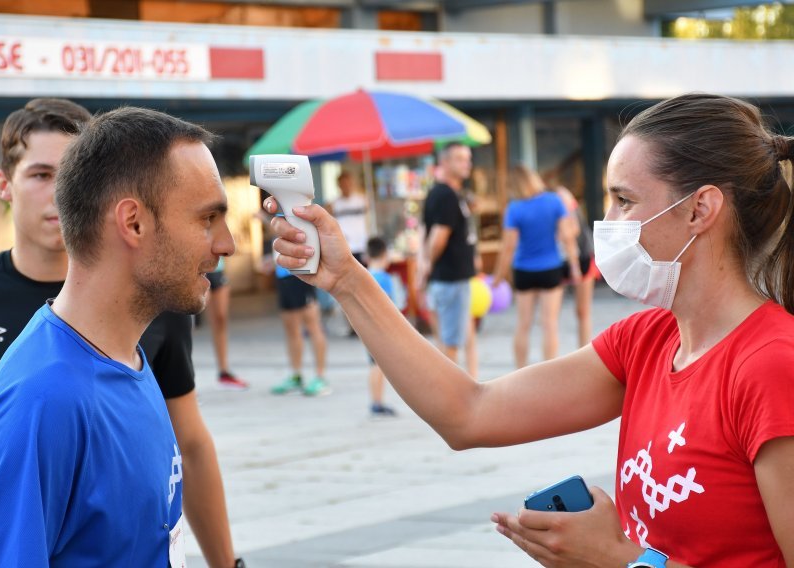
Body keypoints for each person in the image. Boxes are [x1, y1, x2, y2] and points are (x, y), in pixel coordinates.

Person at [266, 93, 794, 566]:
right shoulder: (647, 340)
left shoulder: (772, 364)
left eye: (625, 200)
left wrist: (622, 561)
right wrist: (347, 280)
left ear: (701, 208)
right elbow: (468, 414)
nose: (606, 219)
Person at [0, 103, 240, 566]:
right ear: (133, 223)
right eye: (207, 218)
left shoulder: (129, 356)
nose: (228, 243)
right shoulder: (43, 397)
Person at [492, 165, 580, 367]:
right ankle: (548, 374)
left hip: (523, 271)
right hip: (550, 268)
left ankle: (520, 371)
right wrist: (574, 265)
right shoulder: (554, 201)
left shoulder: (514, 208)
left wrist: (498, 276)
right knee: (549, 324)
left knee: (523, 325)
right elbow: (568, 237)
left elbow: (508, 247)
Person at [421, 142, 478, 369]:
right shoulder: (445, 194)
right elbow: (437, 237)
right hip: (449, 279)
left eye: (468, 158)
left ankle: (474, 384)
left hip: (451, 278)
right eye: (460, 158)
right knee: (449, 345)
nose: (467, 163)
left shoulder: (450, 193)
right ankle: (450, 398)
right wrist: (426, 267)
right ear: (444, 162)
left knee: (459, 338)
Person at [269, 262, 330, 396]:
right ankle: (296, 375)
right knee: (291, 329)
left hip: (302, 273)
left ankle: (320, 377)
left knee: (313, 326)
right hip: (283, 276)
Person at [555, 184, 596, 347]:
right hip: (560, 259)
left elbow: (572, 231)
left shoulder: (561, 195)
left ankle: (584, 350)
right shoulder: (555, 198)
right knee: (551, 316)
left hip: (582, 256)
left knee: (583, 311)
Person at [205, 256, 250, 390]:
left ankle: (224, 372)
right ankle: (186, 380)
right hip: (197, 268)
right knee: (188, 323)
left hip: (218, 269)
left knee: (221, 319)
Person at [365, 236, 397, 417]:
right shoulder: (385, 279)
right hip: (380, 329)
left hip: (367, 328)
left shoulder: (365, 276)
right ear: (385, 255)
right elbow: (389, 306)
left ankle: (375, 399)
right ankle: (377, 402)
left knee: (373, 365)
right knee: (379, 365)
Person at [328, 170, 369, 265]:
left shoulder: (362, 200)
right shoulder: (333, 204)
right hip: (345, 247)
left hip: (361, 245)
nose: (346, 186)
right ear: (339, 185)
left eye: (348, 183)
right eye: (343, 184)